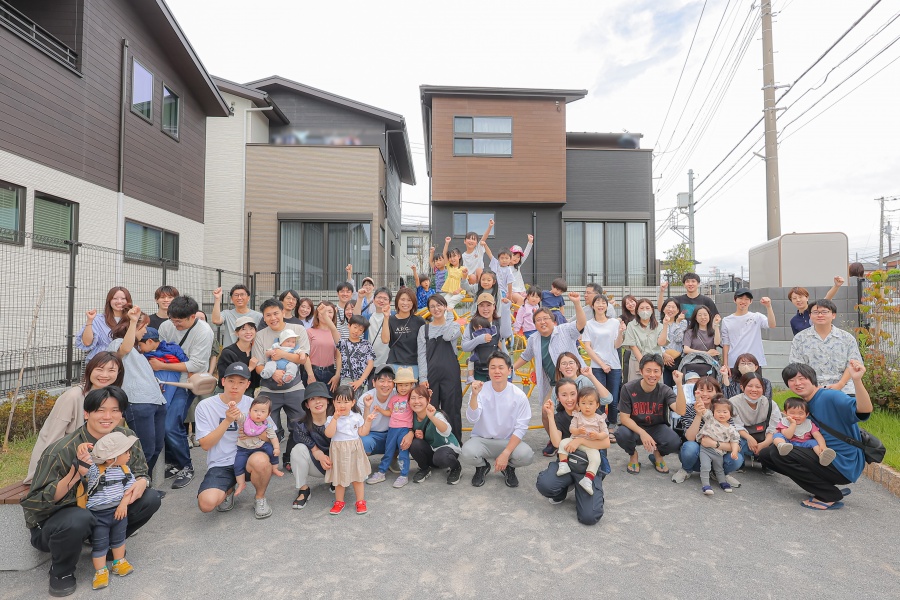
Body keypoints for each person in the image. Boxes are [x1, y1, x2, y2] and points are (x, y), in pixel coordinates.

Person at [22, 387, 161, 597]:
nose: (108, 417)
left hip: (104, 511)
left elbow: (140, 470)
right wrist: (76, 474)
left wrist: (142, 481)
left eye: (115, 410)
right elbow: (35, 504)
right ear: (86, 413)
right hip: (58, 522)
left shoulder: (126, 437)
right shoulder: (62, 450)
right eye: (100, 410)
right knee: (80, 517)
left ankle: (108, 545)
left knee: (150, 498)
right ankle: (61, 571)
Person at [759, 361, 871, 509]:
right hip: (822, 457)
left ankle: (828, 494)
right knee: (766, 454)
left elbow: (864, 410)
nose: (797, 383)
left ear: (812, 378)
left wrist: (857, 380)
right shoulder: (803, 405)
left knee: (778, 453)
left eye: (801, 378)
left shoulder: (830, 396)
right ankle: (822, 485)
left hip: (843, 462)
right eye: (792, 380)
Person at [26, 352, 124, 484]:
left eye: (111, 370)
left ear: (119, 373)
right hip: (63, 463)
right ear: (89, 370)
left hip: (93, 462)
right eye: (99, 369)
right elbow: (52, 438)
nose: (104, 375)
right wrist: (45, 472)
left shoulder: (113, 397)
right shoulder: (73, 397)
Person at [195, 363, 276, 518]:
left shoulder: (254, 404)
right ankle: (228, 488)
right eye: (231, 381)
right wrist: (227, 421)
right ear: (223, 381)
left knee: (261, 461)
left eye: (241, 382)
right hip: (221, 463)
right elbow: (205, 445)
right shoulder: (205, 406)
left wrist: (253, 433)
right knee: (206, 504)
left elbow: (272, 437)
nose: (235, 386)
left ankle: (260, 498)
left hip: (248, 458)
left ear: (248, 384)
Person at [153, 295, 214, 490]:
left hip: (186, 384)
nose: (175, 324)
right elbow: (160, 351)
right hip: (164, 381)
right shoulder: (166, 326)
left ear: (192, 317)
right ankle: (174, 462)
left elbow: (196, 365)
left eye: (179, 321)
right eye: (173, 320)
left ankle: (186, 466)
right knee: (162, 422)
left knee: (171, 424)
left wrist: (163, 365)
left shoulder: (204, 331)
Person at [535, 379, 608, 525]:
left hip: (587, 466)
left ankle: (587, 489)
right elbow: (557, 443)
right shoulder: (560, 417)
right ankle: (564, 488)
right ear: (558, 397)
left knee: (589, 517)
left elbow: (605, 443)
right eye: (564, 395)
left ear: (578, 394)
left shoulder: (591, 409)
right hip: (567, 464)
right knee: (545, 484)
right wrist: (550, 415)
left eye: (573, 394)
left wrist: (580, 441)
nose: (569, 399)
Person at [252, 298, 310, 473]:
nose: (273, 318)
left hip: (294, 387)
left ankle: (290, 457)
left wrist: (281, 354)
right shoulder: (260, 335)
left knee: (299, 425)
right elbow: (258, 365)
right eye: (268, 315)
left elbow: (303, 358)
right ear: (264, 317)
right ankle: (270, 460)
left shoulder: (298, 330)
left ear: (283, 312)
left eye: (276, 313)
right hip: (269, 389)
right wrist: (273, 373)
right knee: (269, 426)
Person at [461, 351, 534, 488]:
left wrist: (506, 453)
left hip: (507, 441)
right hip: (483, 440)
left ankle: (509, 467)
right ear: (488, 370)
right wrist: (474, 396)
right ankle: (482, 466)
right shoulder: (480, 390)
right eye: (493, 367)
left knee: (526, 455)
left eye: (501, 367)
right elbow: (472, 419)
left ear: (509, 370)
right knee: (466, 453)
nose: (497, 371)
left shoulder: (519, 395)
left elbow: (521, 428)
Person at [108, 307, 167, 472]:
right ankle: (134, 483)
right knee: (145, 450)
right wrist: (134, 321)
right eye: (144, 327)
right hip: (138, 403)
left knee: (156, 448)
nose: (146, 331)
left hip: (156, 402)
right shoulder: (118, 343)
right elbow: (124, 350)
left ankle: (144, 482)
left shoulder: (138, 350)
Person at [81, 432, 138, 589]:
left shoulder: (124, 470)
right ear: (110, 458)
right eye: (125, 452)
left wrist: (123, 504)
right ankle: (100, 571)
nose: (129, 455)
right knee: (100, 543)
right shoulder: (96, 470)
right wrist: (83, 451)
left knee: (119, 539)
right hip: (98, 515)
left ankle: (119, 562)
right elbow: (83, 468)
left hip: (119, 512)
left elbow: (130, 489)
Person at [616, 354, 683, 475]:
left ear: (661, 373)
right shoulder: (628, 388)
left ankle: (658, 454)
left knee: (674, 441)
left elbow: (681, 411)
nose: (652, 375)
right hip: (634, 428)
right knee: (621, 433)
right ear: (641, 371)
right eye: (648, 370)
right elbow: (624, 418)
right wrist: (642, 433)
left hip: (656, 427)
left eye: (656, 371)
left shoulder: (665, 390)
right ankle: (633, 455)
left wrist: (679, 384)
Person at [671, 375, 744, 486]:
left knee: (737, 459)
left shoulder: (723, 410)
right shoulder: (689, 408)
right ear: (695, 392)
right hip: (696, 456)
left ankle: (719, 473)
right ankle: (686, 470)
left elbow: (736, 444)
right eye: (701, 390)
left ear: (717, 393)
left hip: (718, 455)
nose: (704, 394)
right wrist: (698, 414)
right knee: (689, 447)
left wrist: (714, 444)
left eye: (709, 391)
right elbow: (690, 438)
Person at [514, 292, 586, 403]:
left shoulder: (565, 330)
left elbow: (581, 324)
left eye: (545, 318)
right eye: (538, 320)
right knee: (546, 409)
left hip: (575, 381)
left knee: (577, 408)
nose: (542, 322)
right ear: (535, 324)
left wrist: (577, 303)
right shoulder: (533, 339)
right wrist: (511, 368)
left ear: (553, 321)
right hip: (555, 384)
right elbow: (526, 356)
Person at [789, 299, 862, 395]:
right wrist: (813, 387)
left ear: (833, 315)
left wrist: (840, 384)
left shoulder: (847, 338)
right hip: (812, 389)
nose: (820, 315)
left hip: (844, 389)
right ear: (810, 315)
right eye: (815, 312)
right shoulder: (799, 339)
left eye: (824, 312)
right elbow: (797, 366)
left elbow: (853, 365)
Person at [417, 294, 464, 441]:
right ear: (428, 309)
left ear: (445, 307)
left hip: (450, 373)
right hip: (431, 375)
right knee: (431, 408)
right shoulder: (424, 329)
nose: (436, 309)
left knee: (452, 408)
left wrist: (449, 316)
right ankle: (431, 443)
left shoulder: (454, 325)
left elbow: (447, 336)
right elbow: (421, 355)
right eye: (432, 306)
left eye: (439, 305)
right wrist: (423, 378)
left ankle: (455, 443)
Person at [325, 385, 377, 515]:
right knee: (339, 478)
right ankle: (339, 501)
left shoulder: (356, 417)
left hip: (354, 449)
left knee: (357, 476)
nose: (342, 405)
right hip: (338, 451)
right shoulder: (331, 418)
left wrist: (368, 421)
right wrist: (335, 419)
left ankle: (360, 501)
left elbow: (363, 432)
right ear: (334, 402)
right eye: (339, 402)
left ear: (353, 402)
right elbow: (329, 434)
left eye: (346, 402)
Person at [365, 367, 415, 488]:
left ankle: (404, 475)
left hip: (404, 429)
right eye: (400, 385)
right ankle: (381, 472)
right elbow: (390, 412)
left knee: (403, 451)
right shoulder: (393, 398)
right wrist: (379, 409)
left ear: (412, 385)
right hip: (392, 429)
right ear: (396, 385)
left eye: (406, 385)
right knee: (389, 451)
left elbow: (419, 406)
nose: (403, 388)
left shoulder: (412, 397)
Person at [556, 387, 610, 495]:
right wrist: (577, 431)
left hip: (591, 445)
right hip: (574, 441)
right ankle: (563, 464)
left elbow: (605, 433)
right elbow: (571, 429)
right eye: (583, 403)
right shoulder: (577, 416)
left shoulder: (599, 419)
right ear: (579, 405)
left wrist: (598, 435)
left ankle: (588, 479)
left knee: (596, 459)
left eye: (590, 403)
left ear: (597, 405)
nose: (587, 407)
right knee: (563, 443)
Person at [582, 293, 625, 426]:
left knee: (613, 398)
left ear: (607, 306)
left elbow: (617, 345)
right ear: (592, 306)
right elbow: (587, 347)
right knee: (599, 397)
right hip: (597, 366)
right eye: (598, 302)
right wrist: (602, 364)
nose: (600, 305)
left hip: (614, 364)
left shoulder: (614, 323)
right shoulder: (588, 324)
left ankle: (612, 423)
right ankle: (599, 423)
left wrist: (621, 332)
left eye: (603, 303)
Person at [289, 382, 333, 509]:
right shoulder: (300, 425)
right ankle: (303, 489)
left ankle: (338, 480)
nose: (317, 402)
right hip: (317, 464)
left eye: (321, 397)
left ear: (328, 400)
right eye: (312, 399)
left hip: (338, 463)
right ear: (307, 405)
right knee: (298, 449)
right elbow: (314, 449)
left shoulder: (338, 419)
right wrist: (320, 456)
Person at [407, 385, 463, 484]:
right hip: (431, 451)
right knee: (414, 443)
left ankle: (456, 467)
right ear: (408, 401)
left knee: (440, 457)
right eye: (413, 398)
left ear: (428, 400)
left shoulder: (436, 414)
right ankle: (425, 468)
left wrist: (432, 417)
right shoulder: (411, 416)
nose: (416, 401)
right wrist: (413, 434)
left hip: (447, 449)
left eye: (420, 397)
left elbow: (446, 431)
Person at [729, 372, 782, 471]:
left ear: (763, 388)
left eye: (758, 387)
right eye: (750, 386)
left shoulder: (770, 404)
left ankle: (767, 462)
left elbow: (775, 427)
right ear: (742, 387)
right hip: (743, 438)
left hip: (764, 437)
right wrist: (749, 438)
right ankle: (740, 462)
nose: (754, 390)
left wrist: (765, 443)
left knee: (778, 439)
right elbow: (735, 425)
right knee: (735, 441)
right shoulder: (733, 402)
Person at [233, 396, 283, 495]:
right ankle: (241, 483)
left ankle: (274, 468)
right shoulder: (245, 419)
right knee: (238, 465)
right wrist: (233, 408)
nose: (258, 414)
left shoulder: (267, 424)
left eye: (263, 412)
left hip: (260, 446)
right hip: (243, 448)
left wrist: (277, 448)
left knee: (272, 451)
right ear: (250, 410)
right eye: (255, 410)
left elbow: (273, 437)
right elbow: (237, 417)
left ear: (268, 414)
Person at [696, 395, 741, 495]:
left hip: (719, 452)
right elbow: (703, 410)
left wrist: (734, 452)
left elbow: (734, 441)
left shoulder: (731, 429)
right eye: (718, 411)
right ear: (713, 412)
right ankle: (706, 485)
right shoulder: (710, 419)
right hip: (706, 449)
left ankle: (723, 482)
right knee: (705, 467)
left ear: (730, 414)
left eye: (725, 412)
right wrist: (699, 399)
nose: (721, 414)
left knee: (719, 468)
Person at [463, 294, 513, 383]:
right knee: (480, 392)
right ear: (477, 307)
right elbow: (465, 347)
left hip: (498, 371)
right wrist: (479, 339)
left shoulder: (498, 322)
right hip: (479, 371)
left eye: (489, 305)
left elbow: (506, 334)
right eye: (482, 305)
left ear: (494, 306)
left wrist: (505, 309)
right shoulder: (472, 324)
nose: (485, 309)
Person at [721, 288, 776, 368]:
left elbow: (772, 325)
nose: (743, 301)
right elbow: (726, 344)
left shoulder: (757, 317)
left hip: (754, 363)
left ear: (751, 301)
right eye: (740, 298)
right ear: (735, 300)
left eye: (747, 299)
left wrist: (769, 307)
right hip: (734, 363)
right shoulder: (726, 320)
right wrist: (725, 364)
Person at [773, 396, 837, 466]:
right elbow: (788, 436)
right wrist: (793, 424)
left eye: (800, 413)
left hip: (804, 444)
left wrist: (823, 446)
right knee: (777, 435)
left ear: (807, 414)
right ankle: (781, 446)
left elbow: (818, 435)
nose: (796, 416)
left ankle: (822, 455)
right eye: (792, 413)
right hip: (788, 442)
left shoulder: (809, 424)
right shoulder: (784, 422)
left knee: (813, 442)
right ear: (785, 413)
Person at [381, 287, 426, 379]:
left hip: (414, 365)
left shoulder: (419, 321)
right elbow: (385, 340)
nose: (405, 303)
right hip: (394, 364)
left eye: (409, 300)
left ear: (413, 303)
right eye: (402, 299)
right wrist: (386, 317)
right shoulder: (390, 320)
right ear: (397, 301)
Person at [76, 287, 132, 360]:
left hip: (127, 359)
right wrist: (90, 320)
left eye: (123, 298)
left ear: (128, 301)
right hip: (102, 360)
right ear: (109, 301)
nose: (119, 301)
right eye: (115, 298)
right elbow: (87, 342)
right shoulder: (98, 319)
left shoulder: (133, 319)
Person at [217, 316, 261, 396]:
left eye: (251, 328)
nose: (248, 332)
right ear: (237, 333)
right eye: (243, 329)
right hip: (228, 393)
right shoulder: (228, 353)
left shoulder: (256, 350)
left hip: (249, 393)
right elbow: (225, 377)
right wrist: (249, 368)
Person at [622, 298, 664, 382]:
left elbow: (661, 343)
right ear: (637, 311)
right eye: (641, 308)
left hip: (655, 363)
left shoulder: (659, 326)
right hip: (637, 362)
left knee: (655, 387)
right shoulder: (631, 325)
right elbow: (633, 346)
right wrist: (644, 364)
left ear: (652, 310)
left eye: (647, 308)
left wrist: (665, 325)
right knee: (636, 387)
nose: (645, 311)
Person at [305, 302, 342, 391]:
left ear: (334, 315)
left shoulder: (336, 333)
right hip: (313, 371)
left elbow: (338, 356)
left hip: (330, 373)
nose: (326, 314)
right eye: (324, 311)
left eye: (330, 312)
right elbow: (305, 355)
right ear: (317, 315)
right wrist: (310, 374)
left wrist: (337, 375)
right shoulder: (309, 331)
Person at [339, 315, 376, 398]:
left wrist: (360, 381)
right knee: (345, 402)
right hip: (346, 381)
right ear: (349, 326)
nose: (356, 331)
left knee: (361, 403)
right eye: (355, 327)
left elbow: (370, 364)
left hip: (362, 382)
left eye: (360, 330)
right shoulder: (342, 343)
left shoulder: (366, 344)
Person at [658, 298, 687, 387]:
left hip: (678, 359)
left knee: (677, 386)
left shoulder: (683, 322)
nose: (671, 309)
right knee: (664, 385)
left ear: (678, 310)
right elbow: (657, 342)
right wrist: (664, 354)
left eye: (673, 307)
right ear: (663, 309)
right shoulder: (658, 324)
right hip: (663, 360)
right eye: (668, 307)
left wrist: (677, 323)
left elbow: (678, 339)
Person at [367, 287, 393, 372]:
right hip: (370, 363)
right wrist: (360, 298)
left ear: (390, 302)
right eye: (379, 297)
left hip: (388, 363)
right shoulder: (368, 317)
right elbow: (355, 317)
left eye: (385, 299)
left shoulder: (394, 317)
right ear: (373, 300)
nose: (381, 300)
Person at [440, 238, 468, 310]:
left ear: (459, 256)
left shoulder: (463, 269)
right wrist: (447, 243)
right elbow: (444, 254)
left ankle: (449, 314)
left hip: (460, 293)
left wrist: (458, 290)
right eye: (450, 257)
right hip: (451, 292)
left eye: (454, 256)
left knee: (451, 302)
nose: (452, 259)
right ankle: (444, 316)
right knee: (444, 302)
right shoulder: (449, 267)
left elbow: (465, 283)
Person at [461, 219, 493, 284]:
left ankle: (481, 288)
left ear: (476, 243)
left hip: (480, 279)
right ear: (464, 241)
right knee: (472, 276)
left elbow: (483, 239)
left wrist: (490, 227)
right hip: (469, 280)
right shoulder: (462, 256)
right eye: (469, 239)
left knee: (479, 270)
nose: (471, 241)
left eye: (473, 239)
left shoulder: (478, 250)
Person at [508, 234, 534, 304]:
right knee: (521, 300)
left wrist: (530, 242)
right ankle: (517, 312)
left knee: (527, 303)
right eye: (514, 255)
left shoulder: (517, 266)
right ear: (509, 255)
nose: (516, 258)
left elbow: (526, 254)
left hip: (522, 290)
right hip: (512, 291)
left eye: (518, 257)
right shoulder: (504, 268)